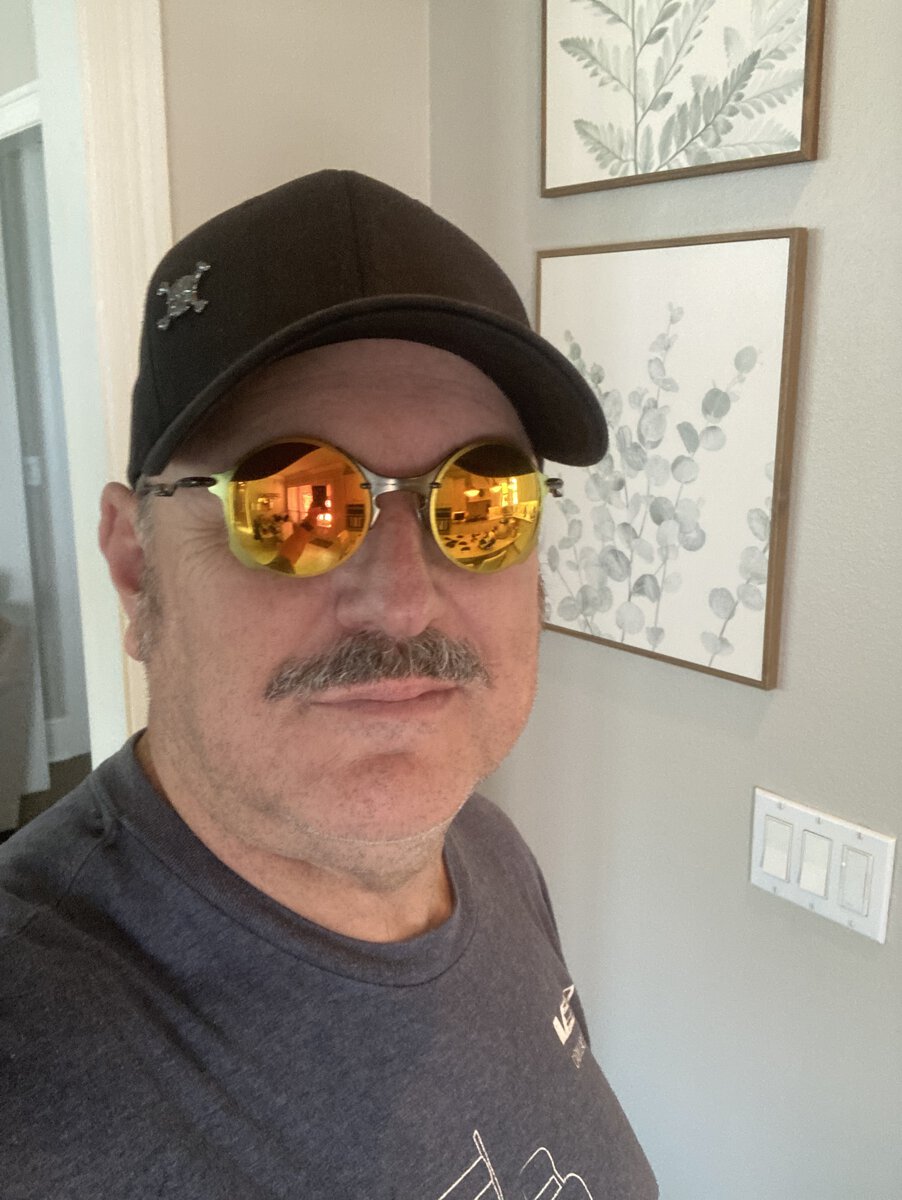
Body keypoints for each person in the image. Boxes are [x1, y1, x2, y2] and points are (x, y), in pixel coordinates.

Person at [0, 171, 657, 1199]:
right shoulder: (33, 1068)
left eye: (480, 504)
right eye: (294, 504)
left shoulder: (488, 849)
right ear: (135, 566)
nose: (402, 604)